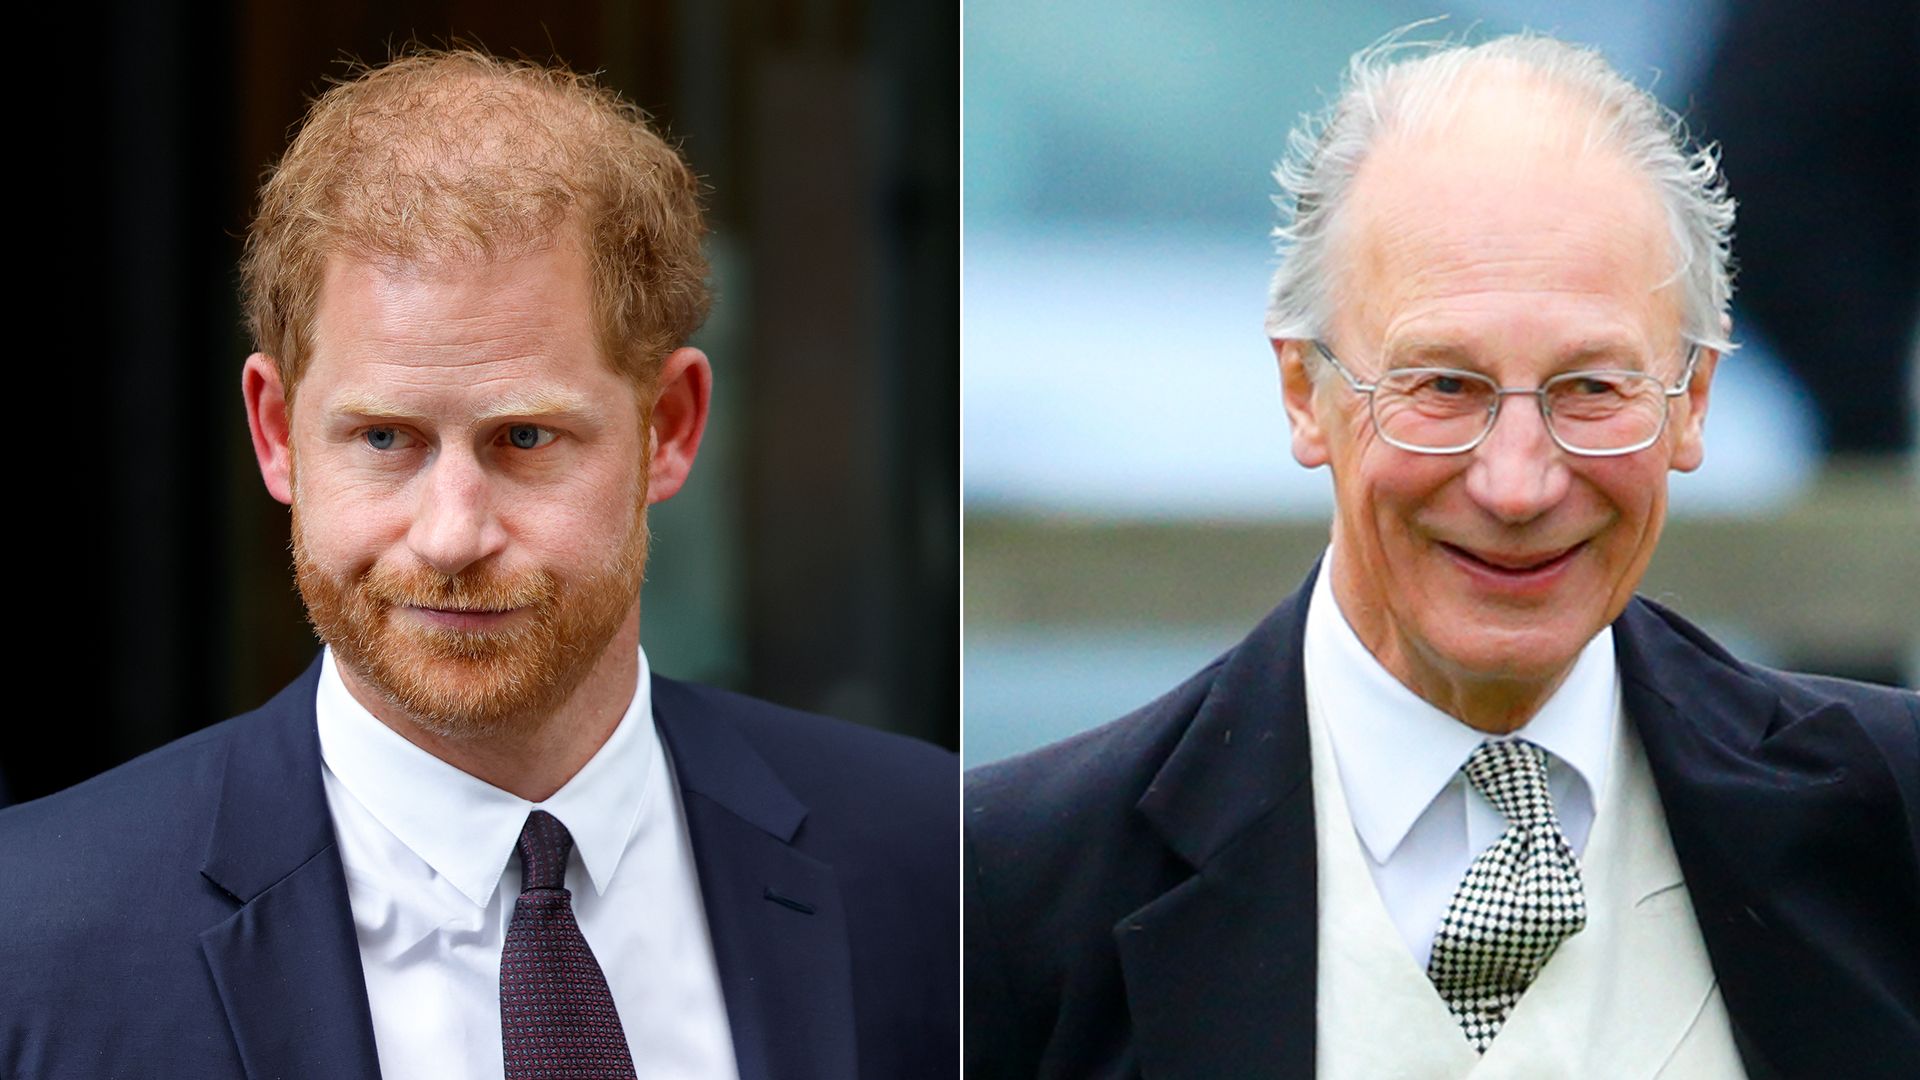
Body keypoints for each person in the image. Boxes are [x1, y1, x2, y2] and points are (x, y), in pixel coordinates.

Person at [964, 32, 1918, 1079]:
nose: (1518, 483)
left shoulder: (1891, 828)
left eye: (1592, 389)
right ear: (1303, 392)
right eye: (1443, 388)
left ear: (1689, 401)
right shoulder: (1009, 888)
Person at [3, 49, 956, 1080]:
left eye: (526, 440)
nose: (453, 535)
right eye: (383, 440)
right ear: (276, 434)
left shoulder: (936, 865)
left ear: (669, 428)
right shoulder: (35, 940)